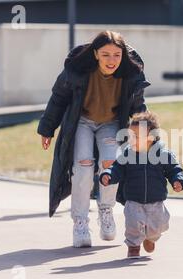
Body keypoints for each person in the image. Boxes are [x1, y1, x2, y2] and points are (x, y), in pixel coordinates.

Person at [37, 30, 151, 248]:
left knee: (110, 164)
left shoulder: (131, 74)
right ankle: (80, 222)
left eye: (117, 55)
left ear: (123, 56)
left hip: (110, 124)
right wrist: (47, 129)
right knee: (83, 167)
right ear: (96, 54)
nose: (111, 60)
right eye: (106, 54)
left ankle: (105, 209)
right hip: (81, 122)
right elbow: (58, 98)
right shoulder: (78, 70)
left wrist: (144, 132)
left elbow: (139, 108)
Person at [100, 111, 183, 258]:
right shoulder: (127, 154)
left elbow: (174, 169)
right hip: (133, 199)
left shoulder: (163, 154)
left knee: (159, 225)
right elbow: (117, 168)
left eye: (136, 136)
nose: (131, 140)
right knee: (133, 225)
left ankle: (150, 238)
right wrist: (108, 174)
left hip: (156, 199)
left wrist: (177, 180)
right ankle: (133, 246)